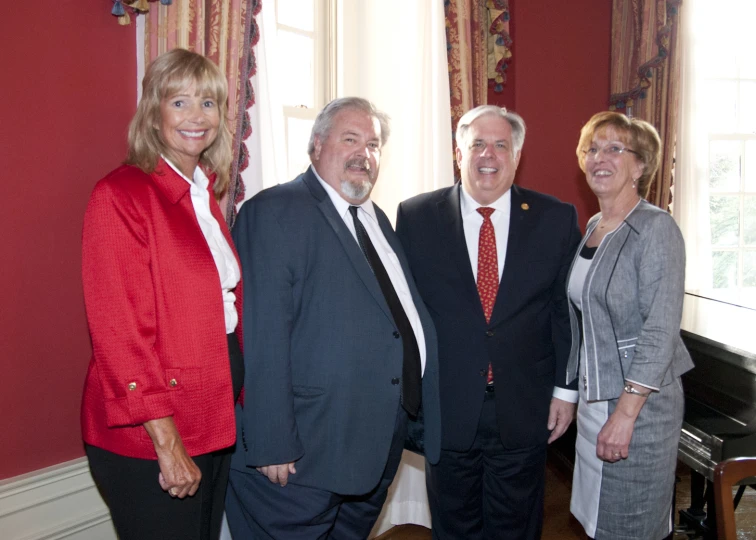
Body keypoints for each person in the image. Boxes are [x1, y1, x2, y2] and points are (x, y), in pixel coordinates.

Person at [226, 97, 441, 539]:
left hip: (371, 446)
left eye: (374, 144)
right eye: (350, 139)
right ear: (317, 145)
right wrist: (271, 441)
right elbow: (261, 334)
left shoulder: (375, 218)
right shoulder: (275, 211)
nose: (365, 153)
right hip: (299, 455)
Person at [396, 105, 581, 540]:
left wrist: (566, 390)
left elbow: (564, 311)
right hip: (446, 406)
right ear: (458, 152)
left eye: (501, 145)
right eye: (477, 143)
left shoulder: (555, 219)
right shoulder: (415, 217)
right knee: (453, 526)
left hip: (525, 404)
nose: (488, 155)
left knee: (516, 527)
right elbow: (403, 315)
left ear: (517, 156)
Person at [81, 49, 243, 540]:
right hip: (153, 427)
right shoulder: (122, 194)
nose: (197, 116)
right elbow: (119, 334)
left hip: (212, 408)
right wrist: (167, 442)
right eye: (180, 102)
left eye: (209, 104)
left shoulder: (203, 194)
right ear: (153, 113)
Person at [566, 111, 693, 539]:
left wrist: (625, 414)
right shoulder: (593, 227)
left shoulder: (657, 229)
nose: (600, 158)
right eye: (592, 149)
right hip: (594, 400)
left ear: (640, 165)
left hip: (639, 409)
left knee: (632, 523)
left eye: (615, 149)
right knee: (598, 522)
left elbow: (660, 331)